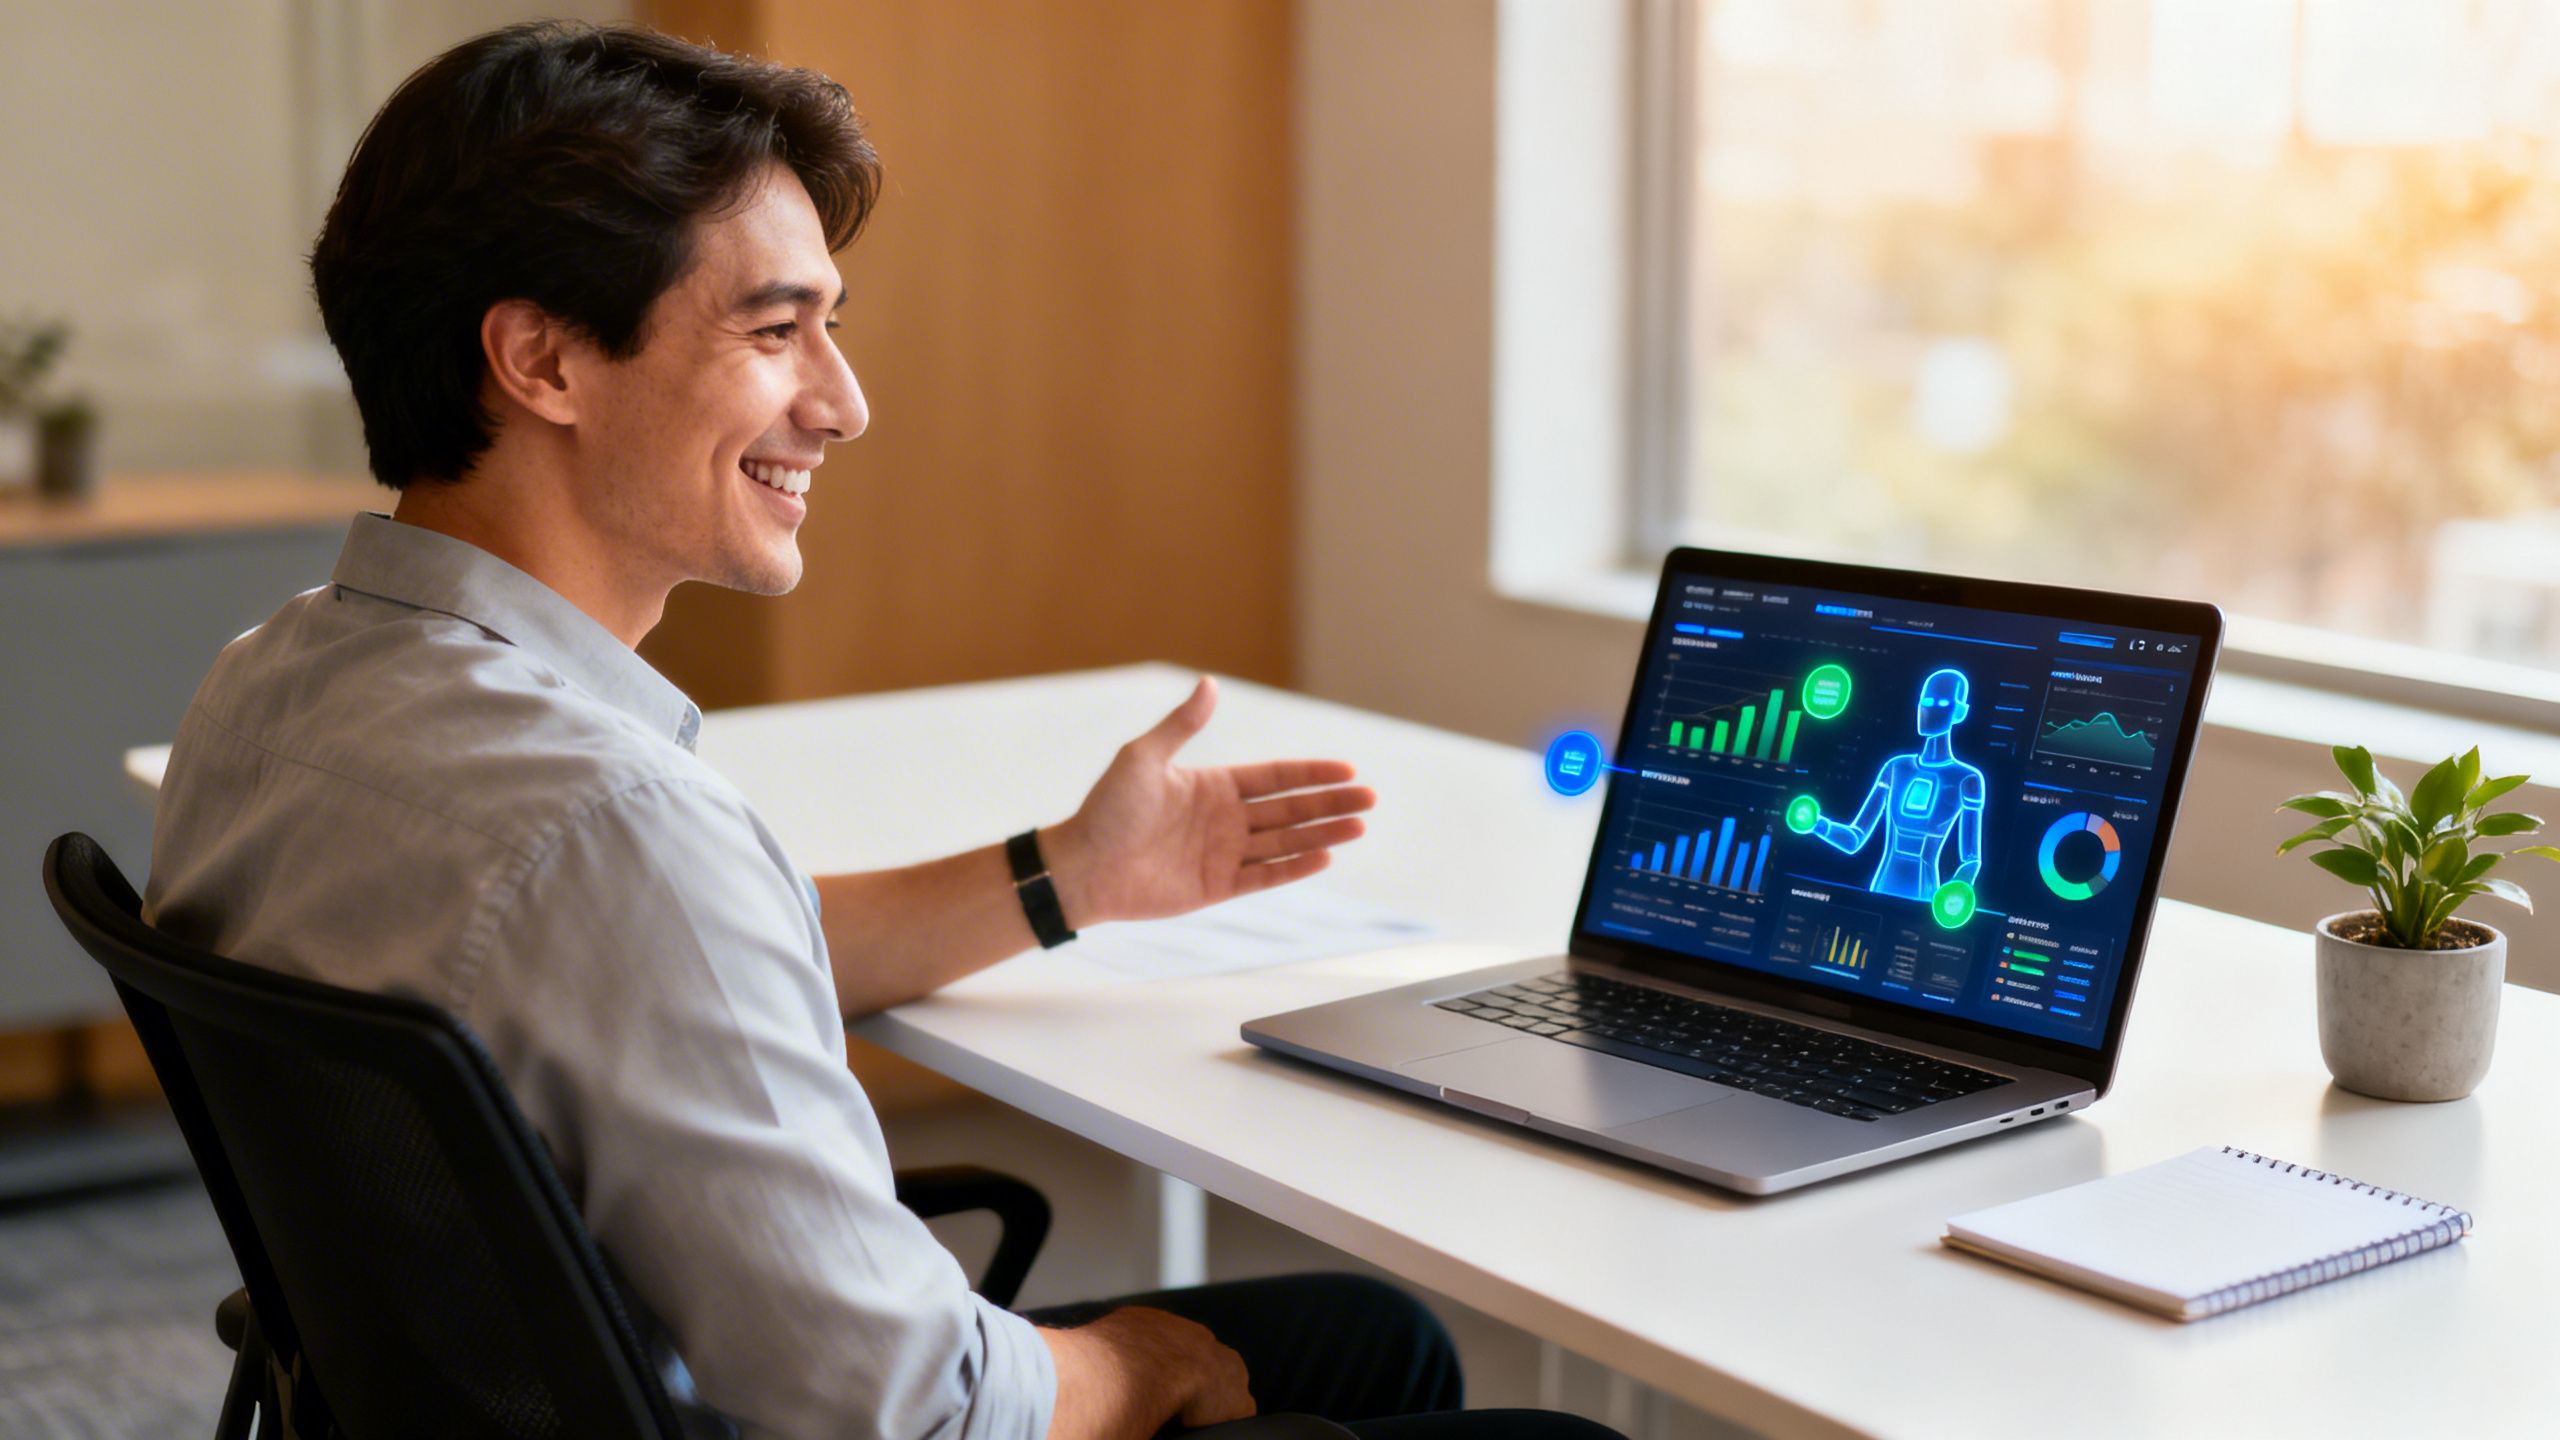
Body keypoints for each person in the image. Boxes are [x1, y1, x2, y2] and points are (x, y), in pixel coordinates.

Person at [144, 20, 1621, 1440]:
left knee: (1380, 1342)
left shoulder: (262, 695)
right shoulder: (609, 829)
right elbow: (917, 1408)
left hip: (489, 1391)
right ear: (542, 362)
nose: (842, 404)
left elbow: (642, 972)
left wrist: (1069, 877)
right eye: (776, 330)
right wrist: (1137, 1361)